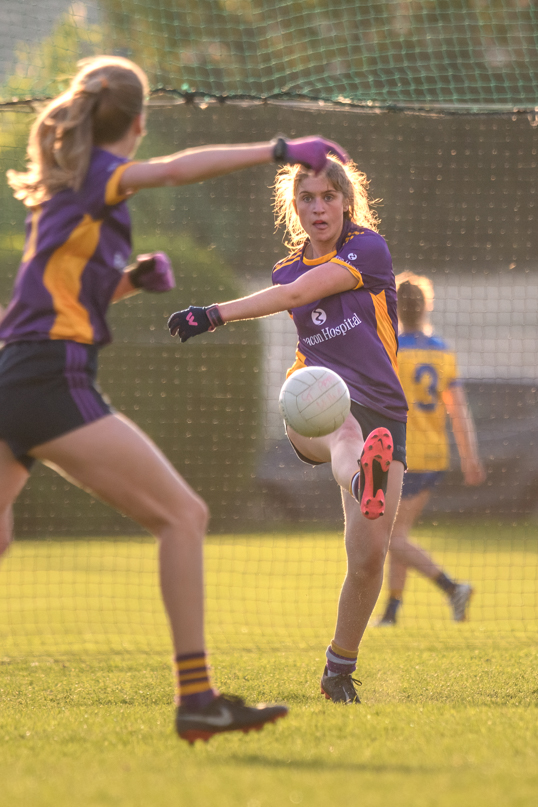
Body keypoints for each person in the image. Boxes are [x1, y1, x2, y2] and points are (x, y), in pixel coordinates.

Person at [0, 54, 349, 742]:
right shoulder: (102, 174)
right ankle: (197, 698)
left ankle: (199, 698)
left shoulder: (67, 192)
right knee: (184, 515)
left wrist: (129, 281)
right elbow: (177, 168)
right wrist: (279, 149)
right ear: (136, 122)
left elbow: (65, 299)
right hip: (47, 378)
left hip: (13, 370)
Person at [168, 156, 408, 705]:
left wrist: (213, 313)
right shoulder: (284, 268)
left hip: (385, 412)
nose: (318, 207)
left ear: (346, 201)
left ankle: (338, 669)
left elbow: (301, 295)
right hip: (312, 395)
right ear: (292, 207)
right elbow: (291, 290)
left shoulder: (367, 249)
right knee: (343, 427)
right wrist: (216, 315)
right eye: (306, 198)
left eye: (327, 196)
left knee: (370, 557)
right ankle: (361, 477)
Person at [377, 272, 486, 626]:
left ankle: (452, 587)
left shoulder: (390, 348)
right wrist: (470, 458)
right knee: (399, 534)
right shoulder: (442, 351)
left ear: (395, 308)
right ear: (426, 306)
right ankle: (392, 611)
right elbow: (459, 410)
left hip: (401, 454)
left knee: (390, 536)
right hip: (435, 455)